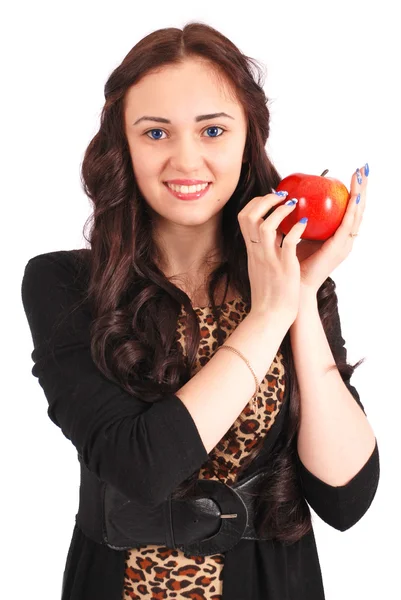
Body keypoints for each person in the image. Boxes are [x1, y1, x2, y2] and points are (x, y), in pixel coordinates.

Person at [21, 22, 379, 600]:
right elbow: (142, 466)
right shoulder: (65, 283)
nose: (186, 160)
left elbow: (345, 497)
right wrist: (268, 317)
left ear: (247, 137)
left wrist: (300, 297)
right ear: (123, 145)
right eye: (156, 132)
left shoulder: (291, 286)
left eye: (212, 130)